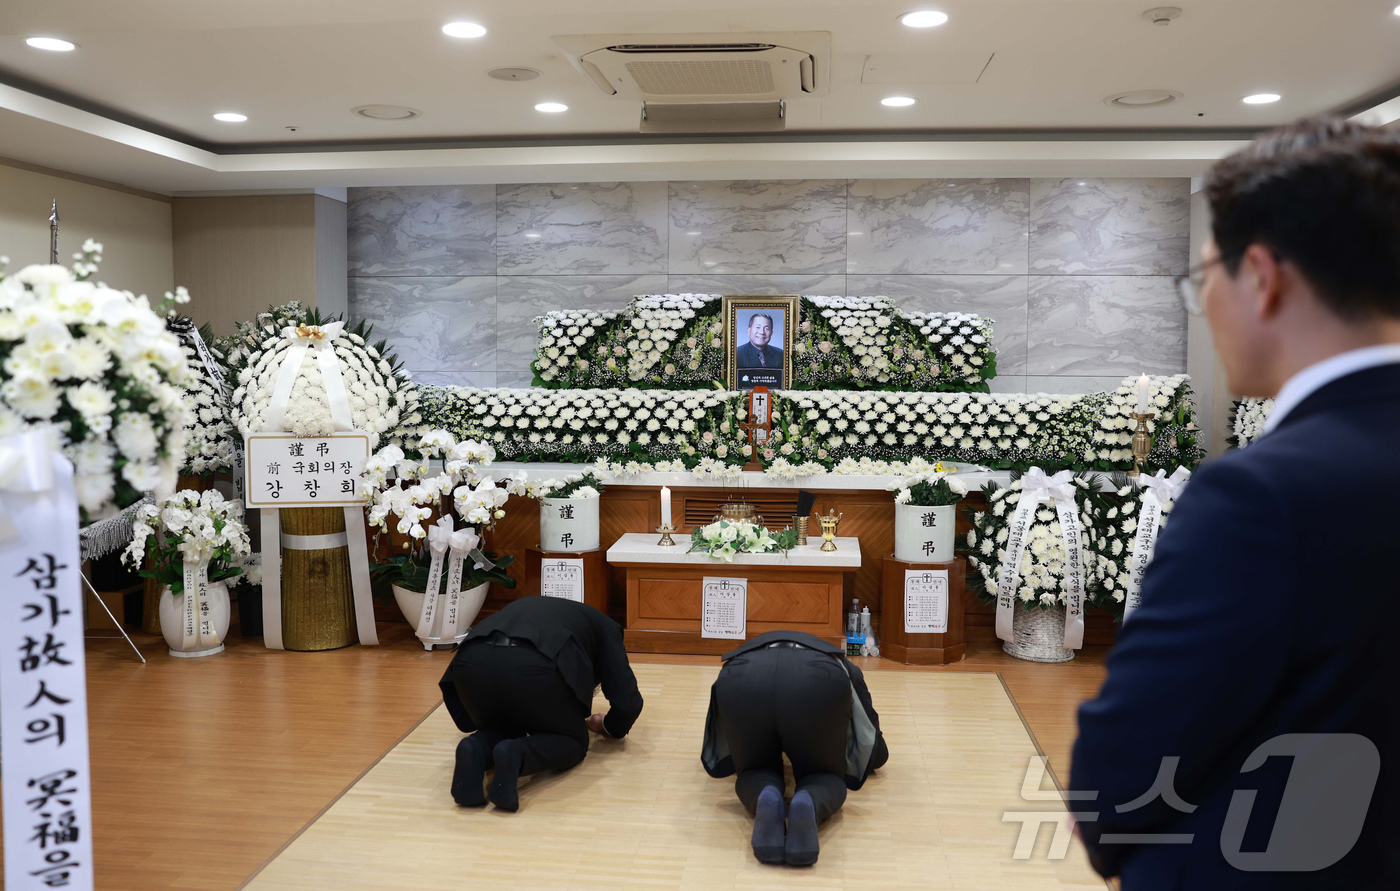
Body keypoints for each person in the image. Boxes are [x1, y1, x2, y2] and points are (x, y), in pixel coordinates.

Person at [1071, 116, 1400, 889]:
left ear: (1263, 275)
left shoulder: (1259, 496)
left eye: (1204, 276)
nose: (1206, 301)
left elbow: (1122, 772)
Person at [701, 629, 888, 866]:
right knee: (822, 776)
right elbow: (876, 753)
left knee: (755, 772)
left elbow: (724, 743)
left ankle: (765, 796)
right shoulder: (843, 663)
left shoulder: (748, 649)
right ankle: (808, 800)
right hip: (818, 681)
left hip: (741, 677)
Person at [439, 596, 643, 811]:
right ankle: (516, 753)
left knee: (504, 726)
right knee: (572, 742)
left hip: (469, 662)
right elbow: (628, 703)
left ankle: (475, 749)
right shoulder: (607, 628)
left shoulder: (538, 607)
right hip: (533, 666)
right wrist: (609, 726)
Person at [735, 312, 784, 386]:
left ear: (771, 333)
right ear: (749, 330)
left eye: (766, 328)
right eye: (758, 327)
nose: (762, 332)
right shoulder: (736, 354)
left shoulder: (781, 355)